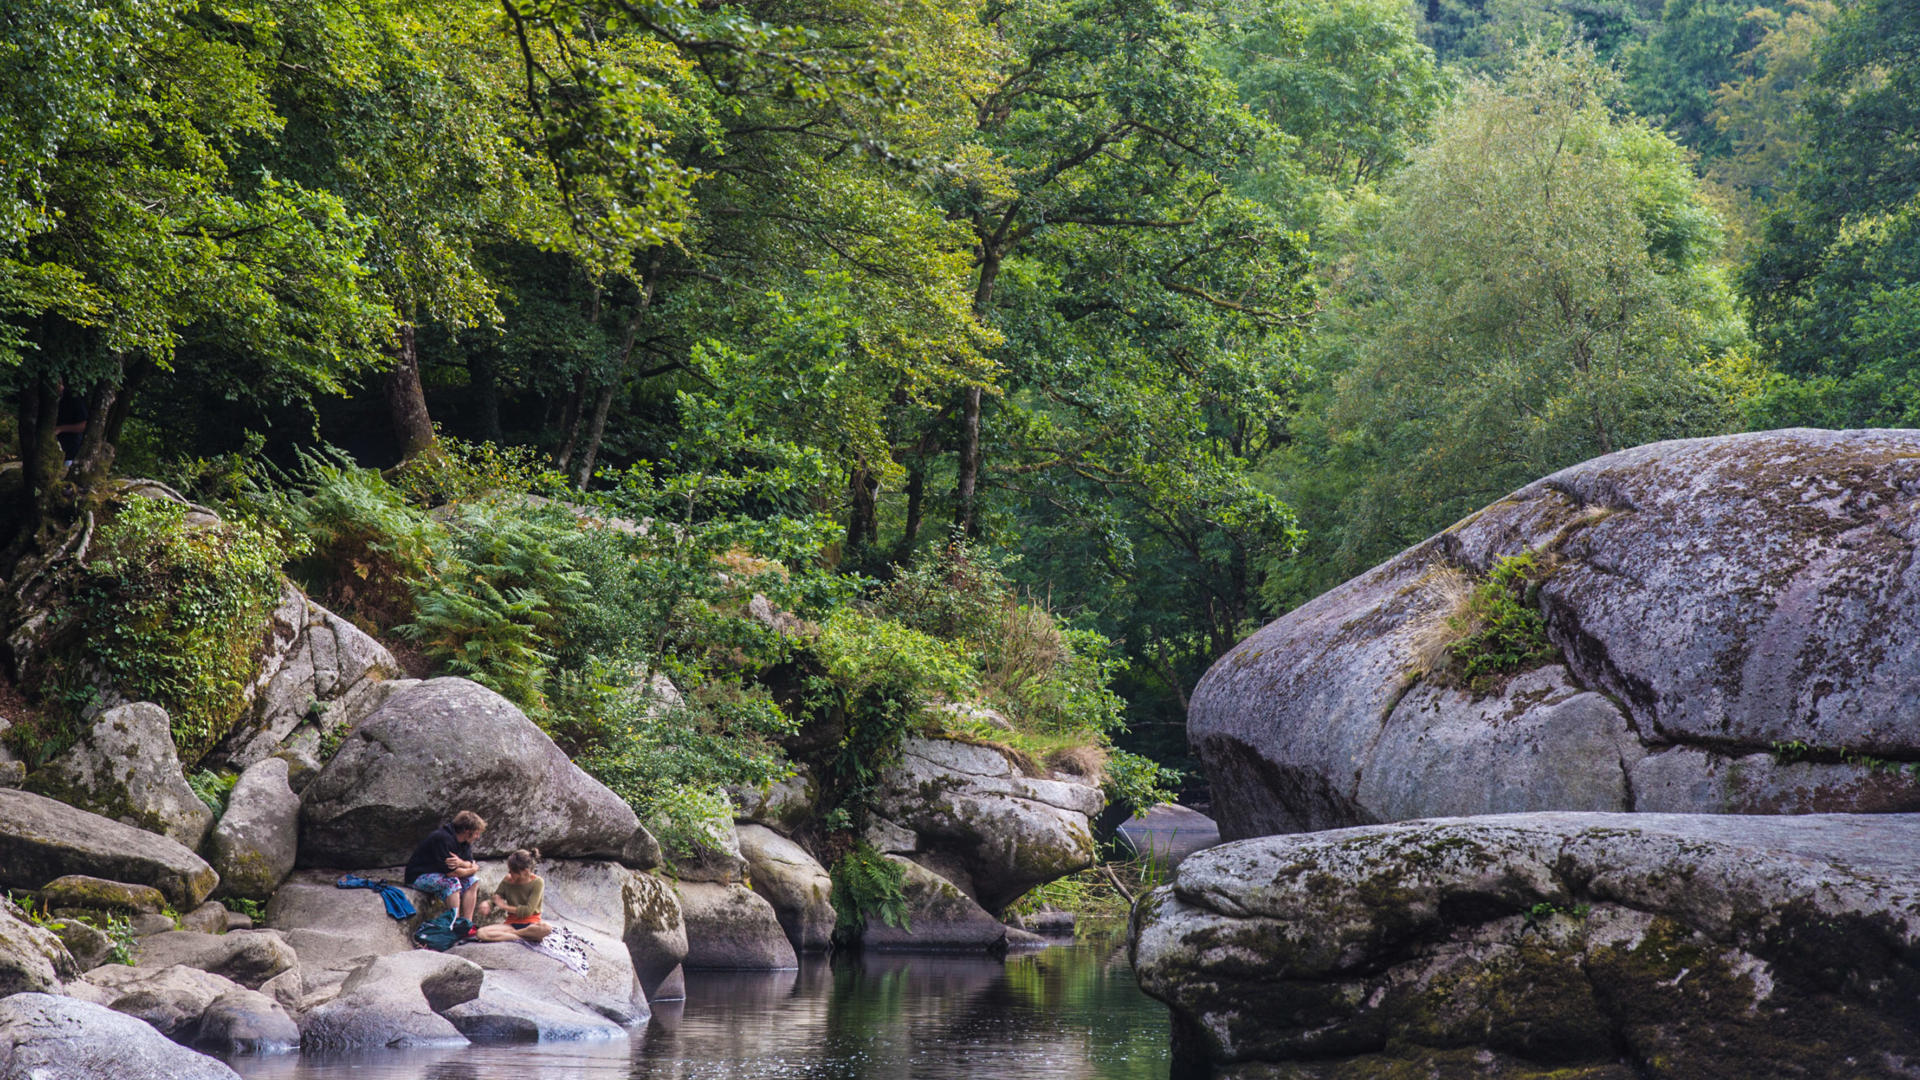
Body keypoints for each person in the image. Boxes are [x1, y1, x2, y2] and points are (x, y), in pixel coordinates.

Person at [404, 810, 485, 923]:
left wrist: (462, 863)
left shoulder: (464, 842)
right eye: (476, 833)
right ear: (467, 831)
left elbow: (469, 863)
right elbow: (453, 873)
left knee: (473, 881)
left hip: (439, 874)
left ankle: (467, 923)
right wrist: (473, 869)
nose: (478, 836)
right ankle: (454, 924)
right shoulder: (442, 838)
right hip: (418, 877)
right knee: (452, 882)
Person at [475, 847, 552, 943]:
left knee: (546, 928)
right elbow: (496, 899)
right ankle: (522, 936)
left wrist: (504, 906)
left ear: (525, 872)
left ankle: (513, 935)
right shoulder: (507, 880)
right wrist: (488, 904)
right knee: (480, 933)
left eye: (512, 871)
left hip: (532, 924)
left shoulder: (538, 882)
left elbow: (528, 911)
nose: (509, 873)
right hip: (511, 925)